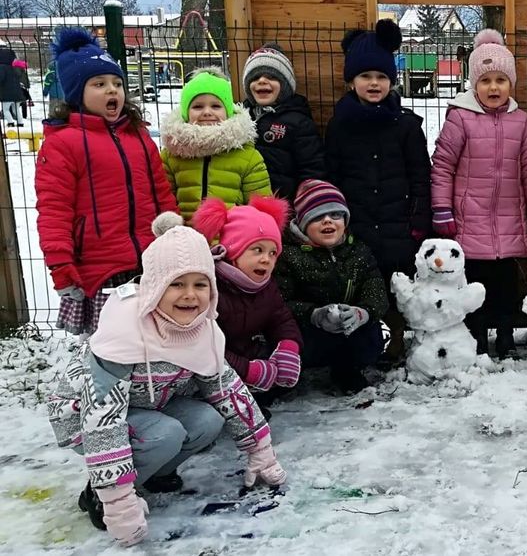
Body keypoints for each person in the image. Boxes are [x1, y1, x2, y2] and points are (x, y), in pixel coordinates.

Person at [46, 214, 285, 547]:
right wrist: (117, 502)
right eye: (176, 284)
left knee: (207, 419)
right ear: (155, 284)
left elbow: (228, 390)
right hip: (83, 415)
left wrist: (261, 451)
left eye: (200, 284)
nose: (189, 295)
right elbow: (102, 417)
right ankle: (98, 494)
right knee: (165, 434)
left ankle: (154, 473)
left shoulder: (202, 328)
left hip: (150, 404)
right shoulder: (125, 330)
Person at [35, 28, 177, 335]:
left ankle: (155, 383)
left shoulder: (139, 137)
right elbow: (53, 210)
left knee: (154, 337)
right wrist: (60, 264)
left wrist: (173, 235)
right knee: (111, 343)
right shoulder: (62, 144)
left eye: (117, 83)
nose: (112, 91)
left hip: (149, 259)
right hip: (100, 267)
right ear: (76, 94)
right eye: (99, 84)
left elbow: (161, 193)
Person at [430, 30, 527, 358]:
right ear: (473, 84)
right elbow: (442, 167)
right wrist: (442, 209)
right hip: (469, 220)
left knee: (506, 286)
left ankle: (507, 336)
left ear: (511, 84)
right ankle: (477, 337)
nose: (493, 88)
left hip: (509, 219)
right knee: (475, 286)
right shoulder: (460, 118)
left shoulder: (520, 121)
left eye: (501, 80)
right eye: (485, 81)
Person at [324, 20, 431, 367]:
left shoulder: (407, 126)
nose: (374, 83)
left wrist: (418, 218)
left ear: (391, 81)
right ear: (352, 80)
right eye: (366, 76)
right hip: (357, 224)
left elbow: (420, 176)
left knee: (397, 287)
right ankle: (364, 345)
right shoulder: (340, 124)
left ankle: (398, 340)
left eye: (382, 77)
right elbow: (333, 175)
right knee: (361, 288)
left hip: (398, 224)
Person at [275, 179, 391, 393]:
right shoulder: (288, 255)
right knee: (290, 339)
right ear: (302, 222)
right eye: (318, 217)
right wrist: (314, 315)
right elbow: (279, 303)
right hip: (308, 329)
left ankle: (347, 370)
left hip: (346, 327)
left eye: (335, 215)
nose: (328, 221)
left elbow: (375, 291)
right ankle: (288, 376)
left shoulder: (358, 251)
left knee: (374, 335)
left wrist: (361, 313)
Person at [192, 196, 302, 415]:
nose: (266, 260)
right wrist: (247, 370)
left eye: (272, 253)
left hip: (245, 353)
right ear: (233, 251)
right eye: (257, 250)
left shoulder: (265, 286)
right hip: (209, 367)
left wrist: (288, 347)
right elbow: (202, 344)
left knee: (287, 371)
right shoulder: (210, 285)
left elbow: (281, 318)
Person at [161, 67, 272, 220]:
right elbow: (163, 202)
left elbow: (261, 208)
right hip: (185, 238)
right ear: (186, 113)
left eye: (216, 106)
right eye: (198, 106)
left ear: (228, 111)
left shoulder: (248, 156)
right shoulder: (172, 154)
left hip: (233, 239)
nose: (207, 112)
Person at [241, 44, 326, 201]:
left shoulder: (298, 122)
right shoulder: (240, 117)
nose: (262, 81)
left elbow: (312, 168)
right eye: (254, 77)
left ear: (286, 85)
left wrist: (306, 203)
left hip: (285, 204)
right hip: (247, 205)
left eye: (272, 77)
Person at [0, 45, 23, 126]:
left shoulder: (2, 67)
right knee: (16, 109)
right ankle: (20, 123)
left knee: (5, 109)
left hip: (7, 93)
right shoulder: (14, 67)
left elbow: (1, 78)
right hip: (17, 93)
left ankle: (10, 122)